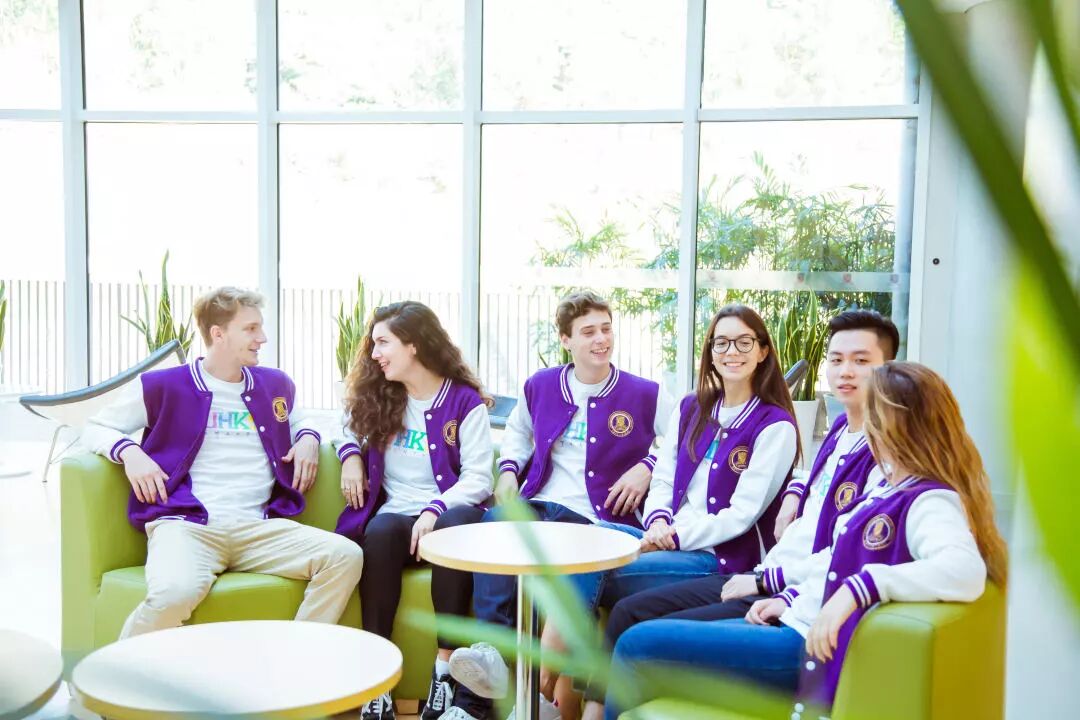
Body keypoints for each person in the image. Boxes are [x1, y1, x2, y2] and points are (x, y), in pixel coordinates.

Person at [600, 362, 1006, 720]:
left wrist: (859, 589)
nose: (865, 424)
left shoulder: (929, 499)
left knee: (638, 643)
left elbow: (964, 569)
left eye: (873, 414)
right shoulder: (890, 487)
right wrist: (790, 597)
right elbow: (840, 557)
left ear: (899, 424)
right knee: (642, 629)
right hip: (792, 618)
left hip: (802, 647)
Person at [588, 310, 899, 699]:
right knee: (590, 541)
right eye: (836, 360)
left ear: (763, 351)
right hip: (750, 574)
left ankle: (566, 685)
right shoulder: (838, 432)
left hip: (729, 562)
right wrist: (658, 522)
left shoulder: (875, 458)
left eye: (861, 360)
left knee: (612, 597)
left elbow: (750, 518)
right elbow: (665, 476)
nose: (731, 351)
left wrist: (678, 538)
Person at [82, 286, 364, 640]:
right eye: (250, 329)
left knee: (345, 556)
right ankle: (118, 669)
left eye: (260, 327)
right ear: (218, 334)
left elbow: (303, 420)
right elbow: (94, 428)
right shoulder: (162, 385)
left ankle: (297, 653)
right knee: (172, 595)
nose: (262, 338)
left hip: (258, 528)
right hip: (188, 527)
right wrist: (130, 453)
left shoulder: (275, 385)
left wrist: (307, 437)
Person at [447, 291, 670, 720]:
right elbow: (518, 434)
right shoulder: (541, 385)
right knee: (495, 523)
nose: (601, 339)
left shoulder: (645, 393)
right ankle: (493, 655)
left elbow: (686, 442)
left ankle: (530, 693)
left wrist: (648, 466)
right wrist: (508, 471)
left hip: (595, 518)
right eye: (588, 332)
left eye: (606, 329)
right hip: (541, 503)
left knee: (554, 559)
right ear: (566, 340)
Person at [331, 301, 495, 720]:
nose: (375, 354)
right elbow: (340, 425)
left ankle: (444, 673)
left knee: (454, 526)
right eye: (374, 344)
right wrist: (350, 457)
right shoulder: (381, 394)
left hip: (450, 514)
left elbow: (479, 477)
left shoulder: (465, 402)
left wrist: (435, 509)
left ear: (414, 345)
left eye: (383, 343)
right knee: (381, 531)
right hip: (400, 518)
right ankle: (378, 679)